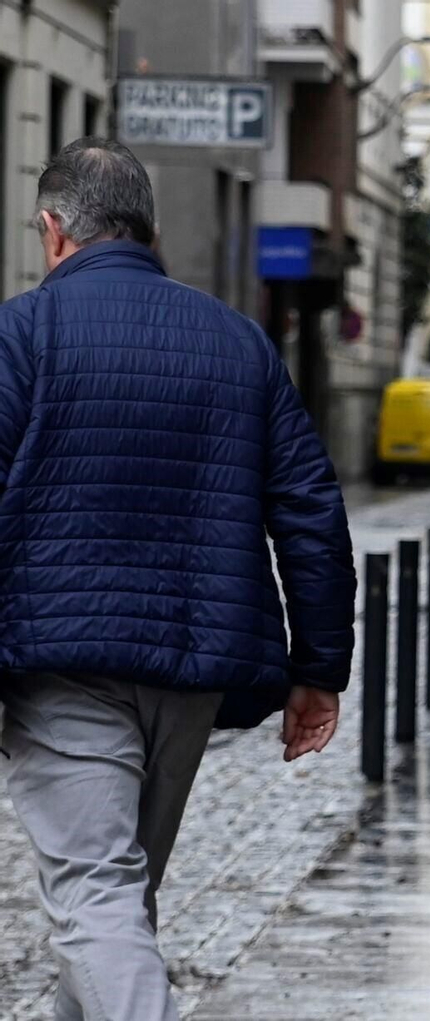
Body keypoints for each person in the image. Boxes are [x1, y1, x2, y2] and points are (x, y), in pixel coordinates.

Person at [0, 139, 356, 1021]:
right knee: (118, 896)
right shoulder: (238, 342)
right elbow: (311, 509)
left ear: (53, 231)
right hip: (194, 670)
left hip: (61, 664)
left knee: (98, 894)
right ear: (149, 231)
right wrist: (318, 665)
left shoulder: (21, 335)